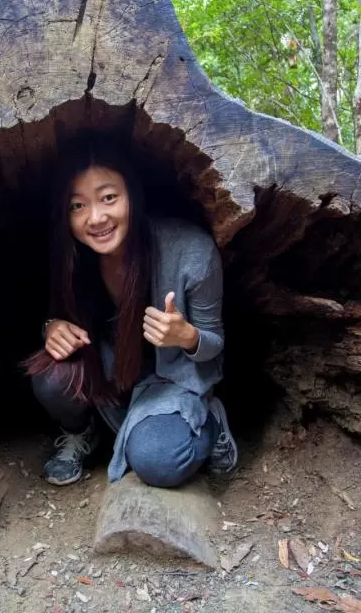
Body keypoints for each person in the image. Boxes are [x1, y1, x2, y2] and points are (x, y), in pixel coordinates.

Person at [24, 136, 237, 488]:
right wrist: (51, 327)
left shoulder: (190, 251)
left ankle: (210, 423)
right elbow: (56, 314)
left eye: (109, 198)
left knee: (158, 461)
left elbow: (215, 345)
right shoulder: (73, 256)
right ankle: (82, 432)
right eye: (77, 206)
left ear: (132, 196)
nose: (96, 218)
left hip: (172, 380)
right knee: (49, 377)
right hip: (110, 370)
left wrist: (187, 336)